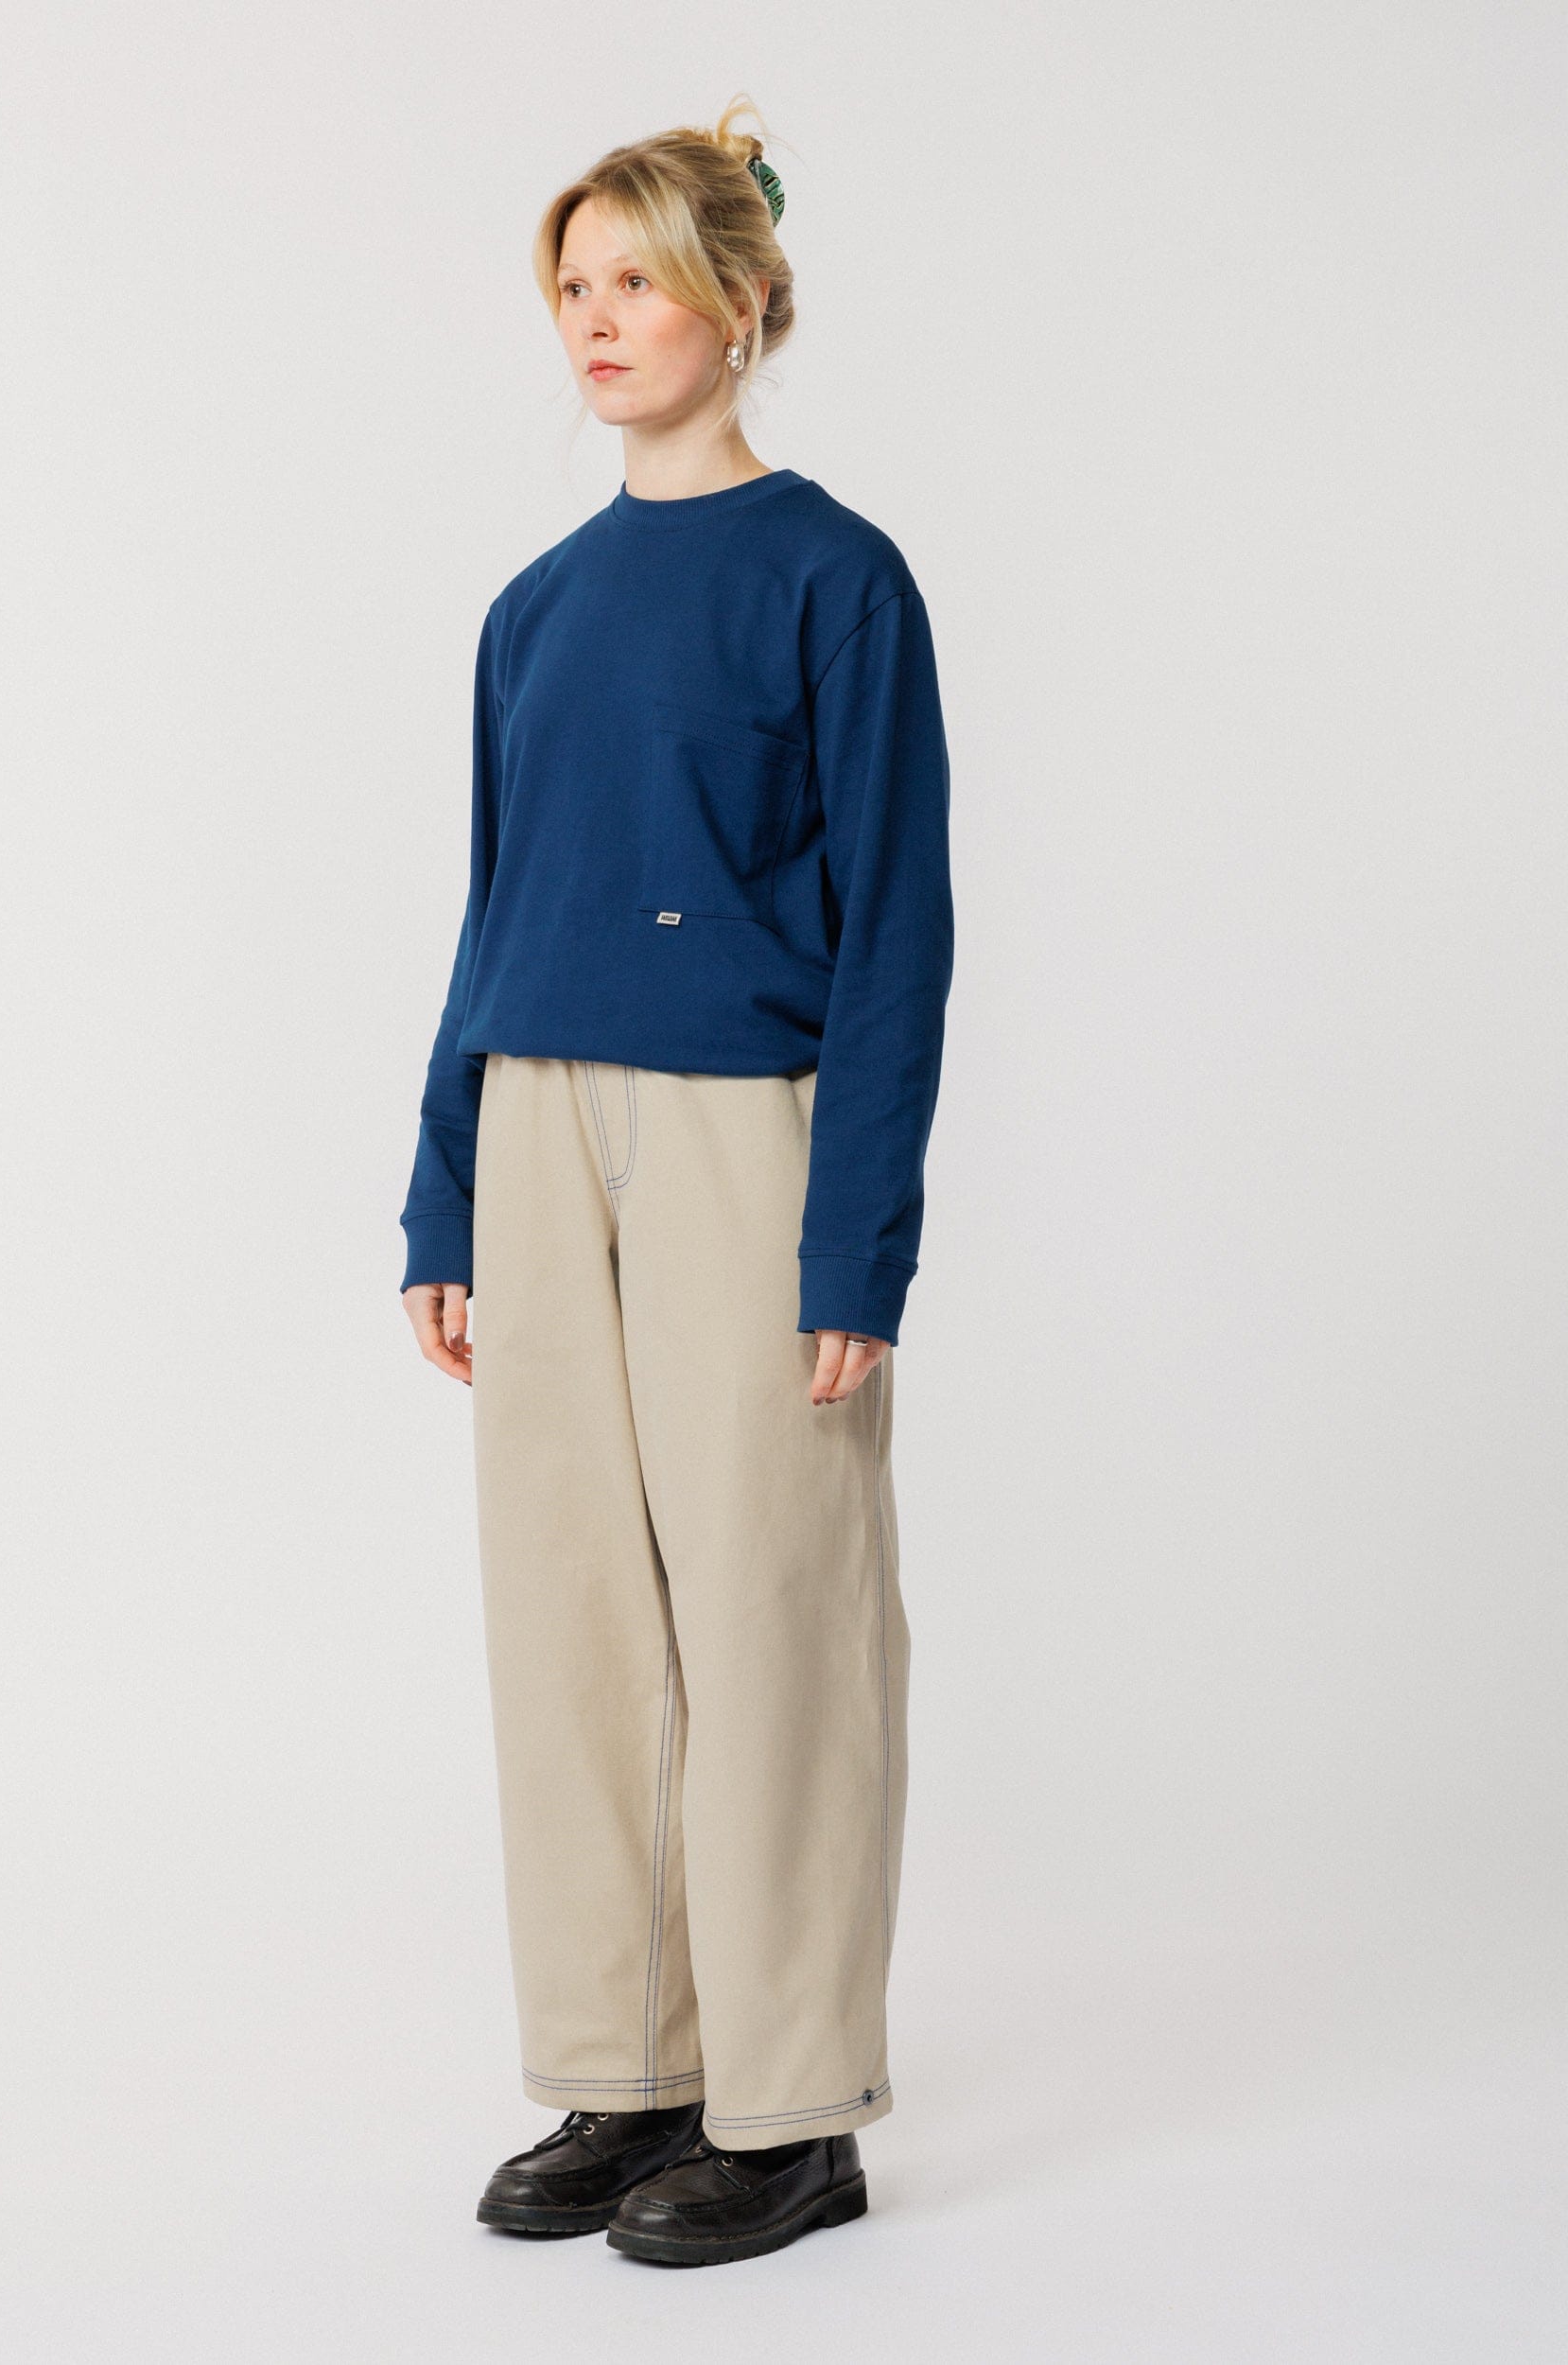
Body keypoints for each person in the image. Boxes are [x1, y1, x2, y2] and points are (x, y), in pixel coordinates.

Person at [397, 97, 955, 2268]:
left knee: (768, 1602)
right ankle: (626, 2060)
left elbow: (896, 928)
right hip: (541, 1124)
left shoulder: (834, 577)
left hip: (746, 1131)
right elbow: (495, 907)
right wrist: (446, 1192)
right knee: (569, 1611)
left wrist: (858, 1239)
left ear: (740, 298)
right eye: (573, 283)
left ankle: (790, 2104)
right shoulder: (530, 611)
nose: (597, 317)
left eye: (635, 276)